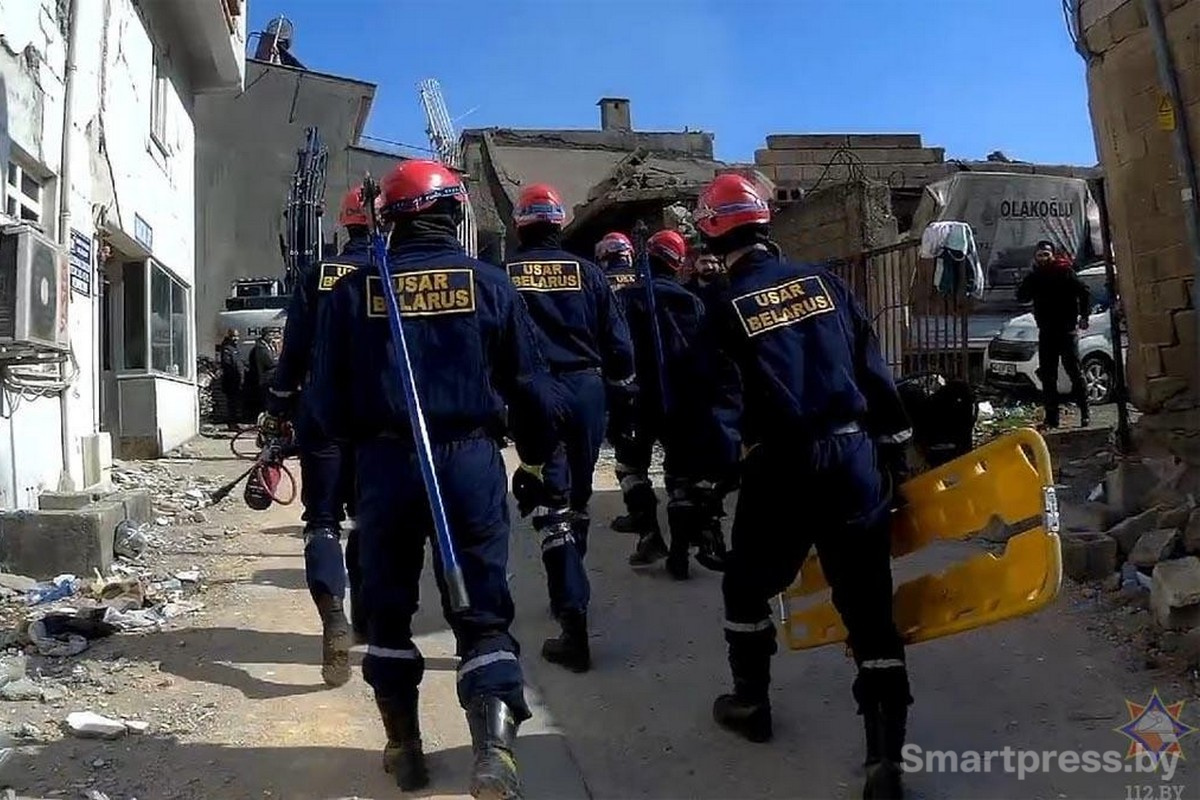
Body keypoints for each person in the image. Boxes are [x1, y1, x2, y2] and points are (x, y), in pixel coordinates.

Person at [308, 160, 568, 796]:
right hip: (469, 461)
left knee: (388, 612)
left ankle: (405, 747)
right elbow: (532, 390)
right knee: (482, 611)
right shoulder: (490, 284)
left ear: (389, 220)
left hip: (385, 466)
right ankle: (495, 752)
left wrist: (337, 493)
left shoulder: (350, 294)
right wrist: (535, 462)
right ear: (455, 215)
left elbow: (324, 408)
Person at [694, 173, 913, 800]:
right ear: (764, 219)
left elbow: (721, 408)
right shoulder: (827, 283)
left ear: (712, 229)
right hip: (852, 457)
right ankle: (885, 760)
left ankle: (750, 703)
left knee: (746, 587)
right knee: (870, 609)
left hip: (781, 469)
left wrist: (707, 490)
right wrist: (897, 452)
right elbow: (873, 369)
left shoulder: (723, 306)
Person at [503, 183, 637, 673]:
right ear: (558, 222)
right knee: (576, 496)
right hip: (586, 393)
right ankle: (570, 578)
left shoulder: (504, 275)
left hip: (533, 392)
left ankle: (571, 610)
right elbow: (619, 347)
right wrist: (622, 389)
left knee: (548, 500)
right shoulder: (589, 272)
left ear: (520, 224)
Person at [266, 187, 374, 688]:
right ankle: (372, 615)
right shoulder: (399, 273)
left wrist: (279, 404)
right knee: (373, 519)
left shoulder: (318, 275)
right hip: (383, 416)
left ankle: (334, 615)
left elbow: (294, 350)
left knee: (324, 520)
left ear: (344, 224)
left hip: (324, 409)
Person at [616, 228, 736, 579]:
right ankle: (685, 547)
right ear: (678, 263)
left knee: (629, 469)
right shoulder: (691, 301)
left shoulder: (626, 299)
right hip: (684, 398)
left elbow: (616, 348)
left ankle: (650, 532)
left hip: (639, 398)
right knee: (681, 476)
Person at [1016, 240, 1092, 429]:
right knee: (1048, 376)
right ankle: (1052, 418)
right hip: (1046, 332)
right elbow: (1022, 296)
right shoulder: (1035, 276)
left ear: (1053, 255)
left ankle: (1085, 413)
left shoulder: (1064, 271)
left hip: (1066, 331)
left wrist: (1084, 316)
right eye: (1040, 255)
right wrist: (1026, 280)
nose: (1043, 258)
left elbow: (1084, 292)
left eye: (1046, 255)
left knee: (1074, 372)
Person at [244, 328, 279, 420]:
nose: (272, 337)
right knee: (266, 402)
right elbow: (269, 362)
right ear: (265, 335)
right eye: (270, 335)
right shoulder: (261, 348)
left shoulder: (269, 345)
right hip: (266, 378)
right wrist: (280, 361)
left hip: (271, 377)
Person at [217, 329, 244, 430]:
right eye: (234, 336)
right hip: (231, 381)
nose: (236, 339)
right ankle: (232, 423)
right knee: (232, 403)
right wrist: (235, 375)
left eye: (237, 336)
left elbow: (239, 363)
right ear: (229, 337)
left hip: (237, 381)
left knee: (236, 403)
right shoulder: (227, 349)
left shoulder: (235, 349)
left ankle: (235, 423)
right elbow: (228, 365)